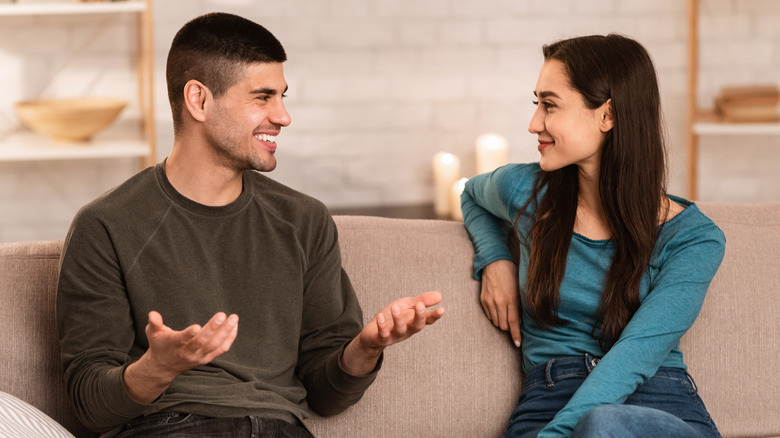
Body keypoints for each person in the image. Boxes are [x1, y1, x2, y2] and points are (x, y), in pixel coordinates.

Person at [56, 12, 444, 438]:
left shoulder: (304, 220)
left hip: (282, 429)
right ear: (198, 100)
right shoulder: (107, 224)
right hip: (169, 427)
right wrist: (157, 368)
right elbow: (89, 404)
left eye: (282, 96)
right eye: (262, 97)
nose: (283, 116)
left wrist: (366, 348)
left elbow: (326, 395)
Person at [460, 34, 725, 438]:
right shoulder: (526, 192)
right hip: (548, 400)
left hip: (659, 406)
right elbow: (470, 195)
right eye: (537, 104)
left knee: (602, 424)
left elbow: (637, 354)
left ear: (607, 115)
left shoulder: (693, 239)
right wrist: (495, 259)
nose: (534, 124)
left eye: (550, 105)